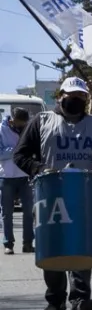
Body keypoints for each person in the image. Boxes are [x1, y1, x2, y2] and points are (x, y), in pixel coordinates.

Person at [13, 77, 92, 310]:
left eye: (81, 97)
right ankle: (55, 298)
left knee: (82, 245)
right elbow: (21, 154)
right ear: (60, 96)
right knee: (53, 245)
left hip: (84, 194)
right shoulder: (41, 121)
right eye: (72, 96)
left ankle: (80, 300)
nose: (76, 100)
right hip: (49, 194)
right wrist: (38, 168)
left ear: (86, 99)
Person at [1, 108, 33, 255]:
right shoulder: (2, 130)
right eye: (21, 123)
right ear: (13, 120)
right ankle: (8, 244)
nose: (23, 125)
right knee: (7, 213)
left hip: (24, 176)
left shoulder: (27, 129)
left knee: (29, 211)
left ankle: (28, 243)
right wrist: (16, 150)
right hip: (6, 177)